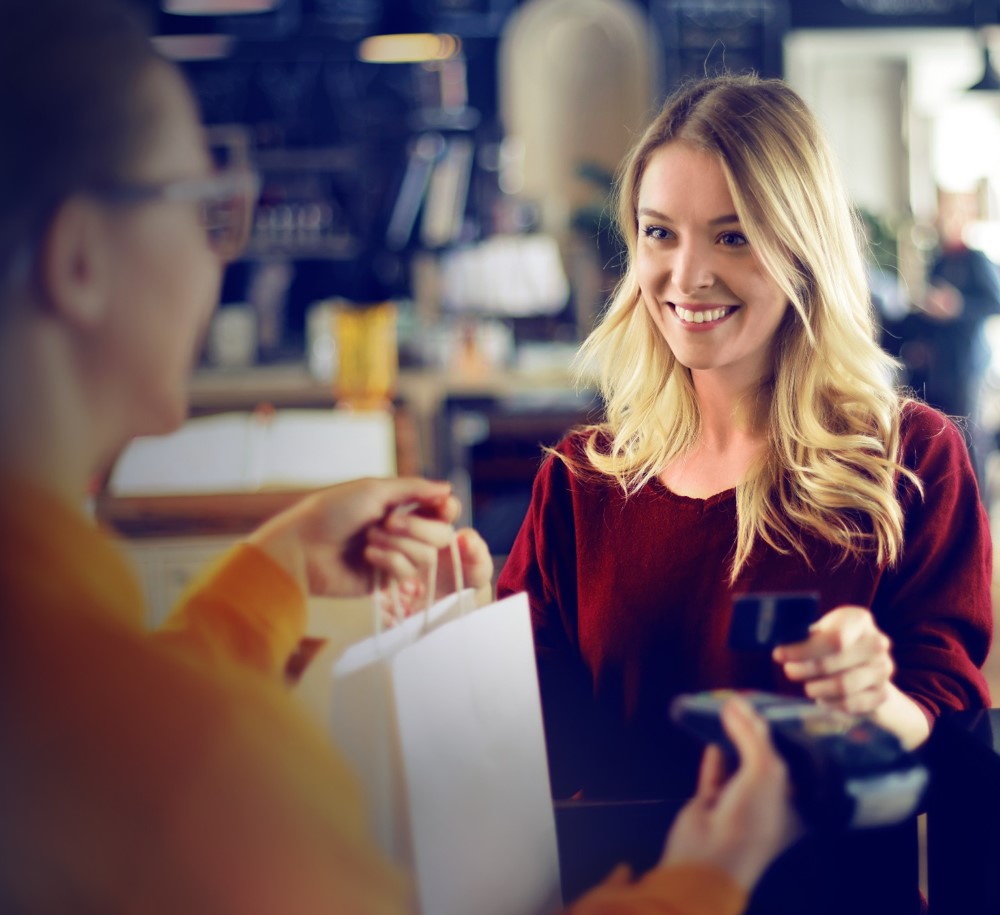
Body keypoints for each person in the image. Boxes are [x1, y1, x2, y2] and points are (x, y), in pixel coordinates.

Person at [0, 3, 799, 913]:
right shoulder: (201, 763)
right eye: (202, 208)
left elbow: (116, 734)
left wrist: (275, 567)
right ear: (79, 261)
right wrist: (705, 879)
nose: (215, 252)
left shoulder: (63, 685)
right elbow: (148, 746)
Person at [497, 74, 993, 805]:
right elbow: (520, 734)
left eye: (733, 236)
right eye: (659, 232)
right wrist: (439, 630)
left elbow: (949, 717)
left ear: (803, 248)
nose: (688, 274)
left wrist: (873, 697)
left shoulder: (912, 461)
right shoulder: (581, 481)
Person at [888, 188, 1000, 497]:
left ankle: (977, 511)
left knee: (970, 439)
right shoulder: (939, 260)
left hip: (966, 367)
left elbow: (994, 303)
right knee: (944, 438)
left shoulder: (976, 260)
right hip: (939, 366)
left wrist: (957, 306)